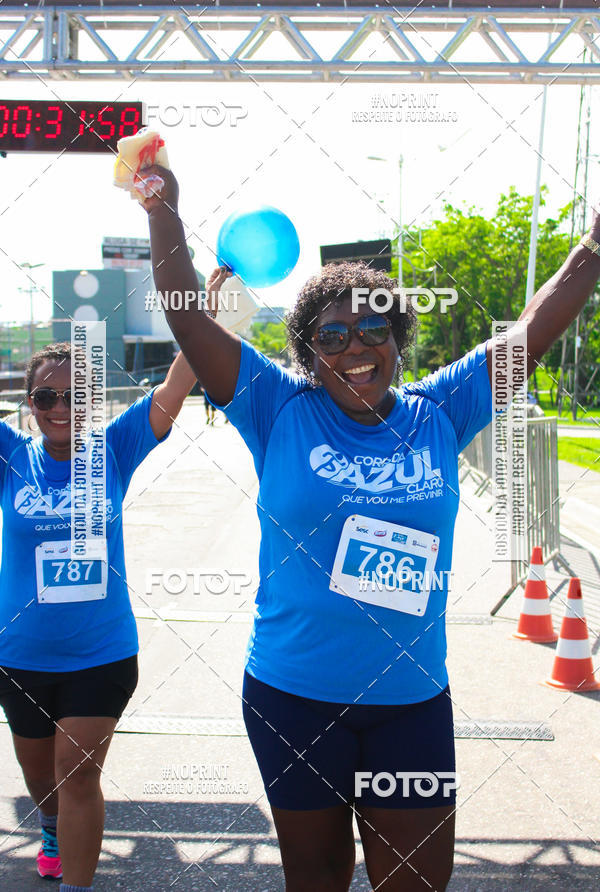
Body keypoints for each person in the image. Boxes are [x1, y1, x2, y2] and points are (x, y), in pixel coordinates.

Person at [140, 165, 600, 891]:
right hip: (294, 698)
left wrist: (594, 245)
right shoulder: (276, 407)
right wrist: (163, 210)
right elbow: (190, 320)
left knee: (416, 880)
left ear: (397, 335)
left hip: (408, 705)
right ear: (309, 352)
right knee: (316, 879)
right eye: (332, 334)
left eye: (373, 326)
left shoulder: (441, 410)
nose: (355, 346)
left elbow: (536, 327)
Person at [0, 344, 198, 892]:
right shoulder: (11, 456)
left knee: (77, 774)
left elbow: (175, 386)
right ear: (29, 403)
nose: (60, 406)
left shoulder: (114, 446)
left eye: (73, 396)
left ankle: (76, 886)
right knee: (42, 780)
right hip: (19, 655)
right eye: (45, 396)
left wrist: (202, 314)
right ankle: (50, 826)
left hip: (101, 653)